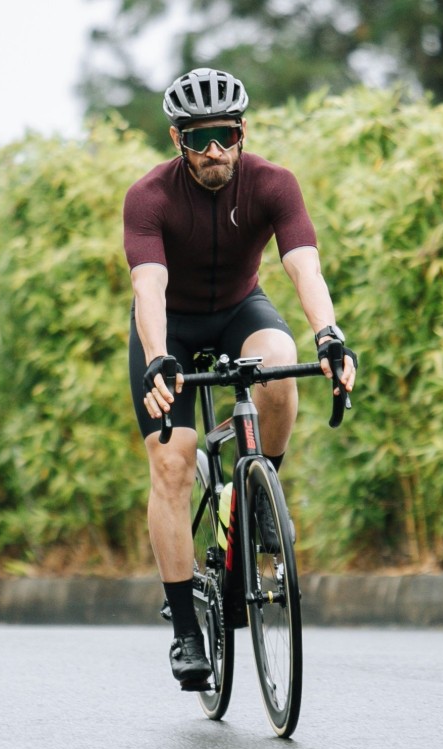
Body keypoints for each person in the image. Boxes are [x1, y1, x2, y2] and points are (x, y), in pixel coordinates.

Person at [124, 68, 357, 690]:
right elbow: (149, 287)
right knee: (172, 464)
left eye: (224, 135)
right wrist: (157, 356)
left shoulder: (273, 183)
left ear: (242, 132)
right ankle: (184, 629)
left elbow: (304, 267)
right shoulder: (149, 196)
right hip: (169, 329)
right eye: (198, 139)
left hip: (238, 312)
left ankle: (257, 494)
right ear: (177, 140)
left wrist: (329, 335)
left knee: (280, 362)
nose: (213, 151)